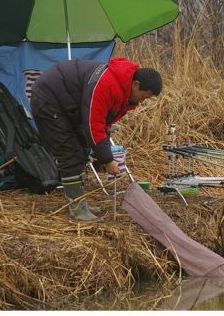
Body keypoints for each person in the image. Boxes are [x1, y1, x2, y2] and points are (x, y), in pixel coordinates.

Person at [30, 57, 162, 222]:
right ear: (136, 84)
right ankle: (77, 208)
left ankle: (77, 201)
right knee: (69, 153)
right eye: (145, 96)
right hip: (49, 100)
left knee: (81, 150)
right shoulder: (107, 84)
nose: (143, 101)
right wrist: (107, 160)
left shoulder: (122, 91)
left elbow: (104, 124)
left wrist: (100, 154)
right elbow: (94, 124)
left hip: (68, 105)